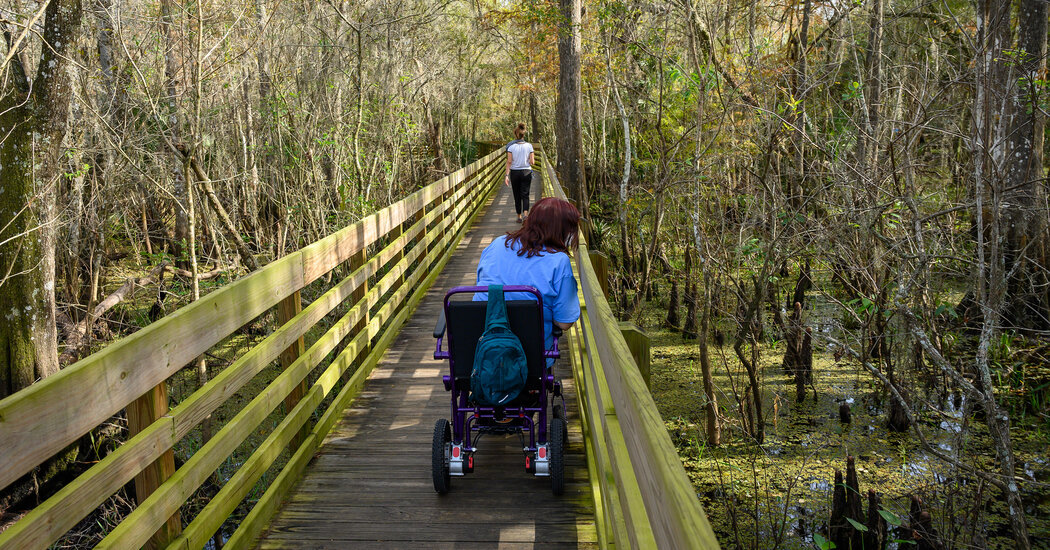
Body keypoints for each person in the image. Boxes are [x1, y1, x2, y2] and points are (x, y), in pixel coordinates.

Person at [475, 198, 581, 359]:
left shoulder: (497, 244)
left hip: (483, 350)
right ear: (562, 230)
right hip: (531, 357)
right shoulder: (559, 261)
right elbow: (564, 323)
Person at [504, 123, 535, 223]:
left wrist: (506, 176)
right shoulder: (529, 146)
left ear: (516, 135)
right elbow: (532, 162)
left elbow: (509, 162)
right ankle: (526, 214)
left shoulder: (511, 147)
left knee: (516, 195)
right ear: (523, 134)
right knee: (525, 194)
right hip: (526, 172)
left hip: (515, 173)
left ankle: (519, 216)